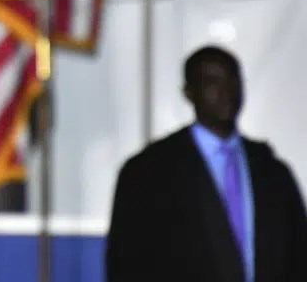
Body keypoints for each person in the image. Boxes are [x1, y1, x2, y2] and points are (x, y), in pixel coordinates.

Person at [105, 45, 307, 282]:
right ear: (189, 92)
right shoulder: (148, 173)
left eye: (232, 80)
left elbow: (298, 257)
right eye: (212, 82)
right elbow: (127, 265)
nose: (226, 91)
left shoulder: (271, 171)